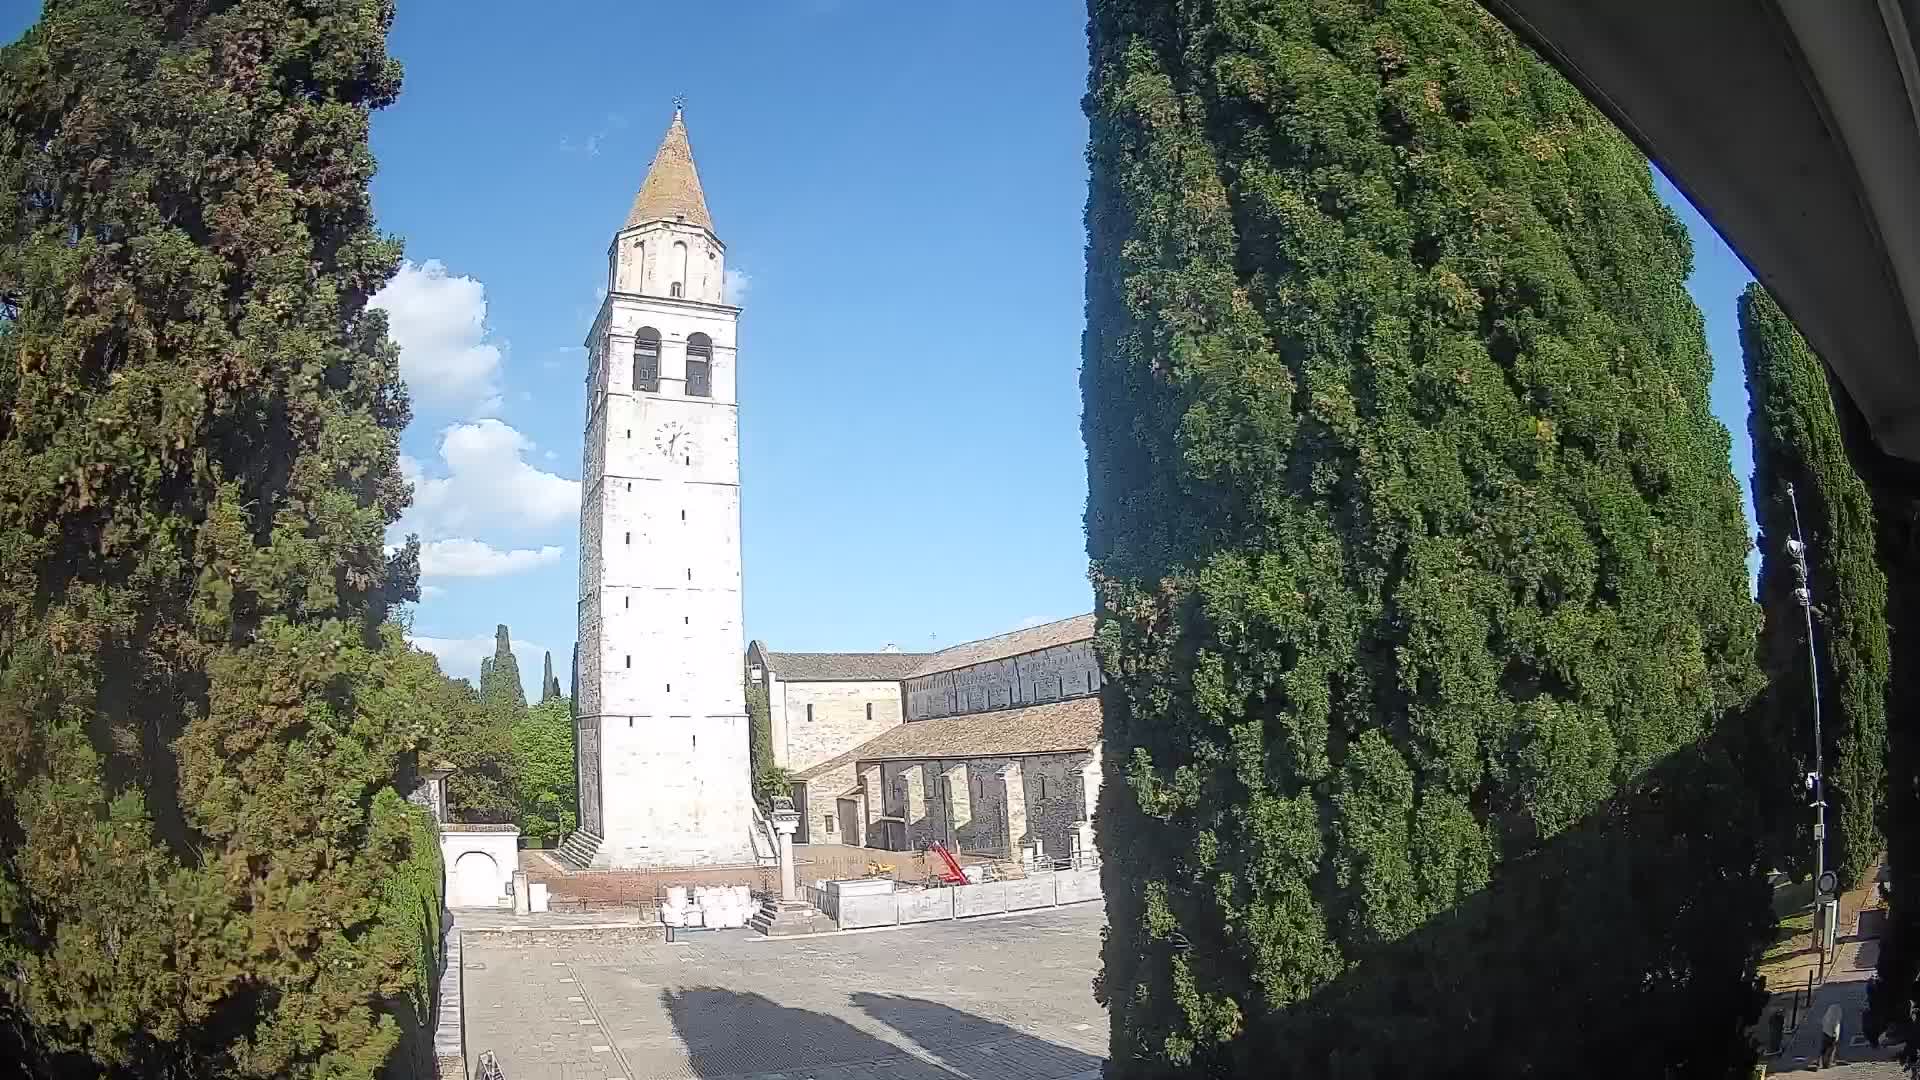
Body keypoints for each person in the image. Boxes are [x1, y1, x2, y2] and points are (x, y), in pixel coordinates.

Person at [1821, 1001, 1843, 1069]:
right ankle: (1828, 1063)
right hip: (1832, 1035)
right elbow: (1836, 1025)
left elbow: (1823, 1021)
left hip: (1825, 1033)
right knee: (1831, 1049)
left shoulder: (1827, 1015)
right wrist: (1836, 1035)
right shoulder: (1837, 1015)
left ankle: (1824, 1063)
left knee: (1825, 1049)